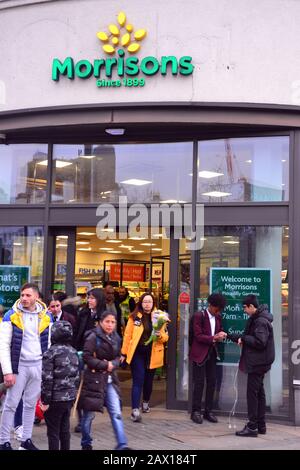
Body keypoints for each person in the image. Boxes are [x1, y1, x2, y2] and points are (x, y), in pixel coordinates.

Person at [0, 283, 52, 450]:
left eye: (28, 295)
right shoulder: (11, 315)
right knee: (11, 404)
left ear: (36, 297)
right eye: (22, 295)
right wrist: (8, 372)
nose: (24, 298)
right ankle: (3, 442)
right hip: (19, 367)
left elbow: (49, 344)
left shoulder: (46, 316)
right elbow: (3, 345)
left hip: (38, 365)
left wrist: (46, 369)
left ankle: (26, 440)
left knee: (30, 404)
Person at [80, 311, 129, 450]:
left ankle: (122, 444)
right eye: (107, 321)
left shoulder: (116, 337)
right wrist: (104, 365)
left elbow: (119, 357)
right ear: (101, 322)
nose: (110, 325)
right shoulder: (92, 336)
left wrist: (113, 364)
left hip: (110, 380)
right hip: (94, 380)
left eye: (113, 322)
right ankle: (86, 443)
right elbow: (87, 357)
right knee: (89, 415)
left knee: (116, 412)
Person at [227, 294, 275, 437]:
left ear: (251, 307)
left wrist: (244, 338)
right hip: (260, 362)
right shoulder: (259, 319)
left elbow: (260, 342)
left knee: (252, 395)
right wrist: (232, 336)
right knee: (259, 393)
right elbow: (248, 338)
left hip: (258, 363)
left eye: (245, 307)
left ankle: (252, 427)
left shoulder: (260, 321)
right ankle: (261, 425)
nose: (244, 310)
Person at [120, 293, 169, 423]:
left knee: (148, 382)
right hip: (137, 353)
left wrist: (159, 335)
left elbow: (165, 338)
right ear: (140, 303)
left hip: (152, 353)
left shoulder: (160, 317)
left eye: (150, 301)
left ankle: (146, 403)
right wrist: (123, 353)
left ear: (153, 303)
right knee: (138, 380)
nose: (147, 304)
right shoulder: (134, 317)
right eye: (145, 301)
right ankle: (135, 410)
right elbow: (127, 336)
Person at [41, 321, 80, 450]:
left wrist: (45, 401)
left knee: (53, 433)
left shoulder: (50, 353)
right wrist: (73, 397)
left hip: (54, 400)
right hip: (68, 399)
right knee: (64, 431)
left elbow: (47, 379)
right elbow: (77, 377)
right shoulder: (73, 352)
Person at [189, 293, 227, 425]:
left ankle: (208, 411)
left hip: (212, 353)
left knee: (212, 382)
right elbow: (197, 336)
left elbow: (219, 329)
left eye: (220, 309)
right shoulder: (199, 316)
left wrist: (221, 333)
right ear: (210, 305)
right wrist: (214, 338)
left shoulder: (218, 317)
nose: (219, 311)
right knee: (199, 383)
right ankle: (196, 411)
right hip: (199, 353)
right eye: (217, 308)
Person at [73, 288, 106, 433]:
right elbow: (77, 333)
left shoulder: (104, 316)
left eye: (92, 298)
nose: (89, 301)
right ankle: (81, 420)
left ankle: (87, 417)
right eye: (88, 298)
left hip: (96, 357)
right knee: (79, 386)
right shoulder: (83, 313)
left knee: (91, 389)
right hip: (81, 354)